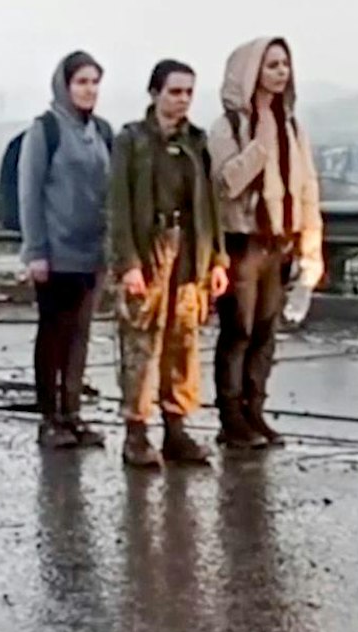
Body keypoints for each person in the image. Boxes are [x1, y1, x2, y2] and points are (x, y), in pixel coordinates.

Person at [108, 61, 231, 469]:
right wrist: (128, 262)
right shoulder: (132, 141)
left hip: (189, 250)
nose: (182, 100)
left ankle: (176, 428)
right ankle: (136, 431)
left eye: (188, 92)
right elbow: (118, 205)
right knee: (141, 341)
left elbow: (210, 205)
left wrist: (217, 259)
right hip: (150, 247)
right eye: (174, 91)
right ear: (155, 93)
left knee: (183, 340)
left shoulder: (196, 142)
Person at [210, 37, 324, 450]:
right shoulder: (228, 126)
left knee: (264, 332)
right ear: (251, 71)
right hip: (242, 241)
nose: (281, 72)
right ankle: (231, 417)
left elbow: (307, 188)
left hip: (279, 242)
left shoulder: (292, 126)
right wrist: (260, 142)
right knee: (238, 331)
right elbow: (227, 184)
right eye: (271, 65)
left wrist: (310, 250)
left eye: (284, 65)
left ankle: (255, 409)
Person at [18, 50, 113, 449]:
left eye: (94, 82)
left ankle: (73, 412)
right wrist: (36, 251)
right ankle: (50, 416)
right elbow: (30, 193)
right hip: (56, 253)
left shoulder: (102, 132)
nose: (89, 90)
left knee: (80, 336)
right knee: (53, 335)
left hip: (93, 253)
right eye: (81, 82)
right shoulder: (46, 130)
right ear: (64, 85)